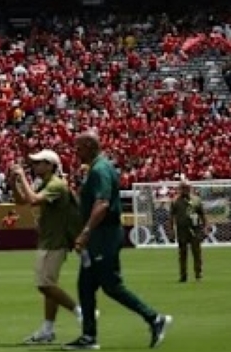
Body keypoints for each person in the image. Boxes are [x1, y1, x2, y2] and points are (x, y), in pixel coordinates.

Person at [63, 132, 173, 351]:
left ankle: (154, 318)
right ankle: (88, 336)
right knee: (85, 286)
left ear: (89, 146)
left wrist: (85, 232)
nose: (75, 152)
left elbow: (102, 203)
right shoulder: (95, 169)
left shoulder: (100, 170)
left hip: (104, 235)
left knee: (111, 285)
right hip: (98, 236)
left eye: (78, 147)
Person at [10, 150, 82, 345]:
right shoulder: (46, 184)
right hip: (48, 240)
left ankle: (81, 313)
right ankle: (47, 330)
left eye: (39, 163)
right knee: (49, 285)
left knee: (45, 285)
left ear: (50, 165)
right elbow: (21, 201)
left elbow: (32, 200)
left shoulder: (56, 185)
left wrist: (22, 177)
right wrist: (14, 183)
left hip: (55, 241)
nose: (34, 166)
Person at [169, 180, 206, 283]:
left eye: (187, 188)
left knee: (197, 252)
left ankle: (198, 275)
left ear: (190, 188)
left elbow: (202, 215)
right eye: (183, 188)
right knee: (182, 253)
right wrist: (171, 230)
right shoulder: (175, 201)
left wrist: (205, 227)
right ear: (180, 189)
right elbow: (171, 217)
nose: (185, 190)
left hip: (195, 230)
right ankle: (183, 276)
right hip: (182, 230)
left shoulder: (196, 200)